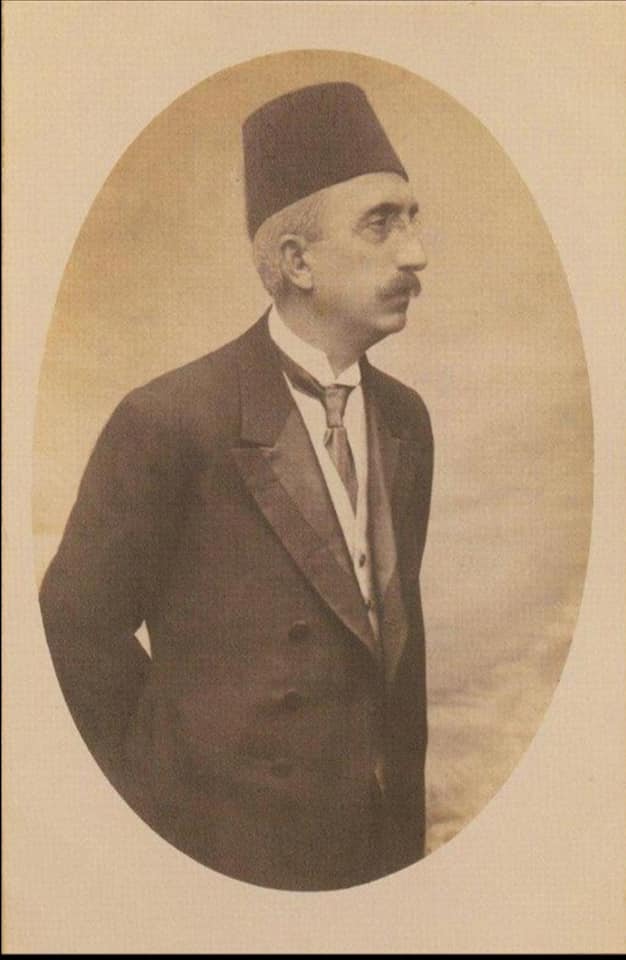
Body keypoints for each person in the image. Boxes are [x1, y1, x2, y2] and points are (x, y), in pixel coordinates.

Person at [39, 82, 433, 891]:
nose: (415, 254)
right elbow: (73, 628)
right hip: (221, 851)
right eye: (380, 223)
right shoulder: (170, 420)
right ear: (296, 262)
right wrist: (172, 788)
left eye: (412, 219)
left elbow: (391, 642)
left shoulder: (405, 420)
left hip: (373, 848)